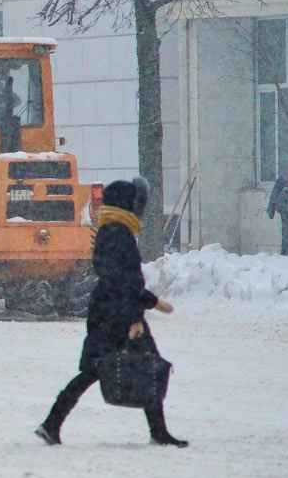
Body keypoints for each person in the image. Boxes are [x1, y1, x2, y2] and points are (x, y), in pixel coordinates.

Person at [35, 177, 188, 448]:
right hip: (117, 314)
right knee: (143, 366)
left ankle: (52, 424)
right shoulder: (118, 233)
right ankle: (157, 431)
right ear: (127, 204)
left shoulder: (112, 230)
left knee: (100, 370)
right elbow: (123, 280)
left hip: (110, 310)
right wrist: (135, 318)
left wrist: (148, 301)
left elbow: (122, 280)